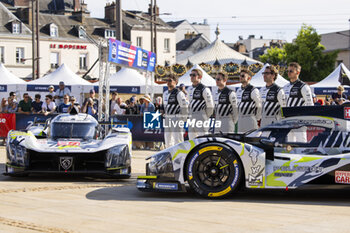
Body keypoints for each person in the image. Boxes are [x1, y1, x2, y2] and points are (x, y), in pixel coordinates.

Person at [163, 74, 189, 148]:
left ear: (176, 82)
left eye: (170, 80)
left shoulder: (179, 93)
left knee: (178, 140)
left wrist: (183, 120)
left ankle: (181, 157)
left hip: (176, 118)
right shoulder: (165, 93)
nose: (168, 82)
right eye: (167, 80)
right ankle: (170, 157)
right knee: (167, 140)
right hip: (168, 118)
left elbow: (185, 107)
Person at [188, 68, 214, 139]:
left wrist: (205, 116)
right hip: (191, 117)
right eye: (190, 75)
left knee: (203, 139)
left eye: (193, 75)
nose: (191, 77)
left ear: (200, 77)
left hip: (201, 116)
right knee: (191, 140)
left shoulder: (204, 89)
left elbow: (210, 106)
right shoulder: (189, 89)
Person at [236, 69, 262, 133]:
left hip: (250, 118)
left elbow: (259, 105)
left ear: (249, 78)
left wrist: (257, 119)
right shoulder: (238, 90)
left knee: (250, 139)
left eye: (243, 76)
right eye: (240, 76)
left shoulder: (253, 90)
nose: (240, 77)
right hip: (240, 119)